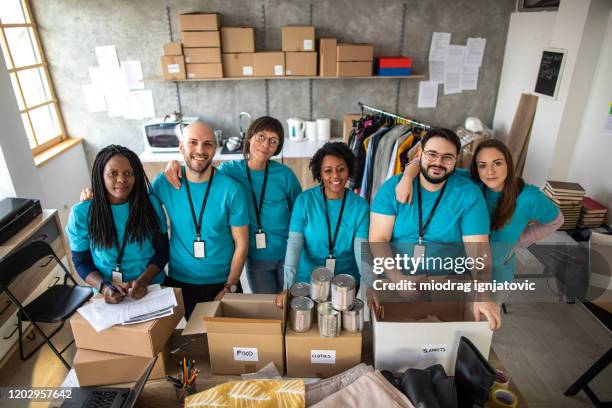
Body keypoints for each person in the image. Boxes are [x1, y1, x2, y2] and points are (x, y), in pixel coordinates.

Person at [370, 128, 501, 330]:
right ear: (420, 153)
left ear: (456, 160)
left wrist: (483, 293)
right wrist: (397, 278)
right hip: (395, 282)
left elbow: (479, 249)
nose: (438, 163)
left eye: (447, 158)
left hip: (447, 284)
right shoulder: (393, 188)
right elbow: (378, 239)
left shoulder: (469, 195)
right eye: (432, 154)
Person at [163, 117, 302, 294]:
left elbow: (300, 213)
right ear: (250, 137)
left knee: (294, 302)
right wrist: (175, 163)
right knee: (268, 309)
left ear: (277, 147)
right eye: (261, 137)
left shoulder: (285, 175)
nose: (266, 144)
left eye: (273, 141)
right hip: (255, 256)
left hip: (287, 253)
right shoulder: (229, 171)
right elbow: (199, 170)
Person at [395, 138, 563, 283]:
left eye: (497, 163)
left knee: (486, 319)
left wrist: (519, 241)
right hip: (458, 273)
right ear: (476, 169)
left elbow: (557, 221)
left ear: (508, 164)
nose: (490, 172)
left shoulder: (529, 197)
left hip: (495, 277)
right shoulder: (469, 183)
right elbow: (425, 163)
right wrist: (407, 177)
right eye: (482, 166)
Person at [152, 120, 249, 318]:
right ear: (181, 148)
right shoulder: (165, 182)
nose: (200, 150)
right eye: (193, 142)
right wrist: (94, 194)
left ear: (215, 149)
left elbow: (242, 244)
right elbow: (132, 204)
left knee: (228, 344)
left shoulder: (231, 190)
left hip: (222, 282)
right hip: (181, 280)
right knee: (194, 341)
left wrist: (229, 286)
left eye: (207, 144)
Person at [66, 145, 169, 304]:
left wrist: (143, 280)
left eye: (128, 173)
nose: (121, 179)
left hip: (152, 288)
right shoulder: (81, 214)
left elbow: (162, 251)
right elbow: (82, 262)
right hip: (106, 294)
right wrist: (105, 287)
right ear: (101, 176)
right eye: (113, 173)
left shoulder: (150, 204)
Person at [276, 142, 370, 307]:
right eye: (328, 170)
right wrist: (287, 286)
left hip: (345, 283)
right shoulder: (304, 201)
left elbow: (362, 249)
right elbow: (294, 244)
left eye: (341, 169)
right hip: (308, 281)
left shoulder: (360, 206)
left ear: (349, 170)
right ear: (320, 173)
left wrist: (371, 286)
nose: (335, 176)